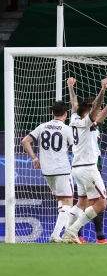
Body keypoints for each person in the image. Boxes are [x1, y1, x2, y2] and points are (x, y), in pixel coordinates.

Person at [62, 78, 107, 244]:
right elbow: (97, 109)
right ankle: (73, 231)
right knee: (101, 204)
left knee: (82, 202)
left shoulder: (74, 119)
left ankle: (68, 233)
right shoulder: (86, 122)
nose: (97, 112)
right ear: (86, 113)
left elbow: (75, 104)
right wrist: (103, 91)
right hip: (88, 168)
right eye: (94, 111)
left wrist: (70, 88)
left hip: (77, 168)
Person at [21, 101, 74, 243]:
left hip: (47, 171)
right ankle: (56, 235)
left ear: (52, 113)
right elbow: (75, 145)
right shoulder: (66, 129)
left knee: (62, 202)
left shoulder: (42, 127)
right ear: (65, 114)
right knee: (68, 202)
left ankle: (68, 234)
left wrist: (34, 158)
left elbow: (25, 141)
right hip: (62, 170)